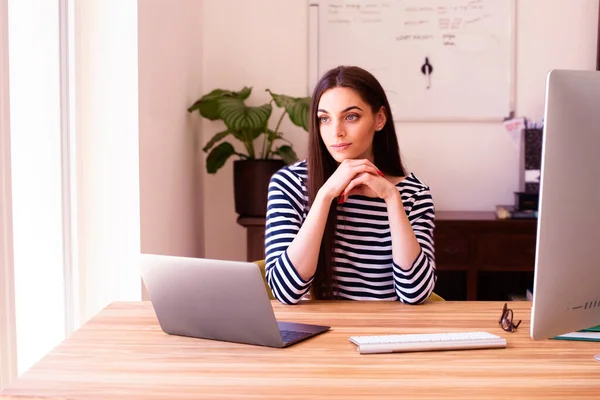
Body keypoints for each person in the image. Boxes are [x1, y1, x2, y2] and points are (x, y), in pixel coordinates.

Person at [264, 65, 436, 304]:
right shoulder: (289, 185)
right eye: (324, 119)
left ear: (379, 119)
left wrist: (391, 198)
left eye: (351, 116)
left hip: (388, 336)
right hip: (320, 335)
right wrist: (325, 195)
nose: (336, 132)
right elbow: (285, 292)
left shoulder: (413, 194)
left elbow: (414, 294)